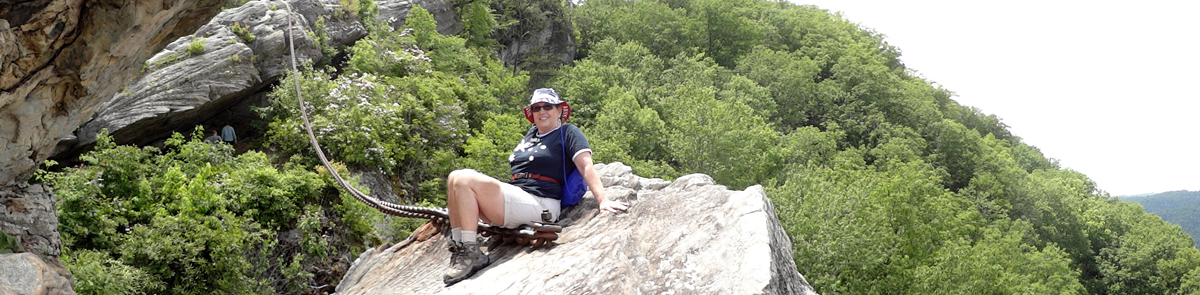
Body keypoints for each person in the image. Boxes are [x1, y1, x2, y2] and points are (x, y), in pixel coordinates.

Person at [441, 88, 629, 285]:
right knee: (454, 178)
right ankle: (461, 247)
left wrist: (603, 200)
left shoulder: (568, 132)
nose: (542, 111)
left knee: (464, 179)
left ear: (559, 110)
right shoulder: (531, 135)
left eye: (548, 106)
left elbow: (585, 165)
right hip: (518, 196)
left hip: (541, 202)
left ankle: (471, 252)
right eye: (537, 108)